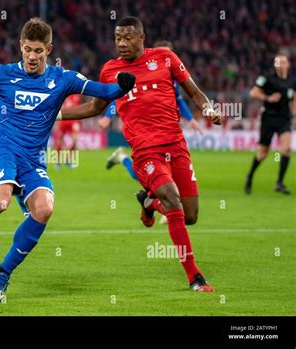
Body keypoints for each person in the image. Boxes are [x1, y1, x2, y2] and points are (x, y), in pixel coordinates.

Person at [0, 17, 136, 303]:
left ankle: (3, 275)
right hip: (4, 150)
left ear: (49, 48)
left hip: (34, 159)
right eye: (26, 49)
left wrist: (121, 87)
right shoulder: (2, 74)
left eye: (37, 50)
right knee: (0, 201)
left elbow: (103, 92)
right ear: (20, 47)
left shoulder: (63, 78)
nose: (31, 56)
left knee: (45, 209)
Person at [60, 16, 221, 292]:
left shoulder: (165, 58)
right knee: (172, 200)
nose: (121, 43)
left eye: (127, 38)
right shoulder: (110, 71)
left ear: (141, 38)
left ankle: (149, 204)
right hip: (146, 152)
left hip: (176, 146)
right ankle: (195, 277)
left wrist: (207, 109)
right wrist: (56, 114)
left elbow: (195, 93)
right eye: (118, 38)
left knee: (190, 215)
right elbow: (95, 108)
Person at [245, 51, 295, 195]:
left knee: (286, 149)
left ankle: (279, 182)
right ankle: (250, 176)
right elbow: (253, 92)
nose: (280, 65)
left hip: (285, 118)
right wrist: (268, 98)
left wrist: (294, 113)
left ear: (288, 65)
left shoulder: (292, 81)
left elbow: (293, 98)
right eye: (278, 62)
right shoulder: (266, 79)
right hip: (269, 118)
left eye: (283, 62)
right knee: (263, 153)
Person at [53, 94, 82, 169]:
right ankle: (58, 161)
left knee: (75, 141)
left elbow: (78, 107)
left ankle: (68, 160)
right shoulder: (64, 91)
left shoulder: (77, 94)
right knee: (59, 142)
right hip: (63, 120)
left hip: (73, 121)